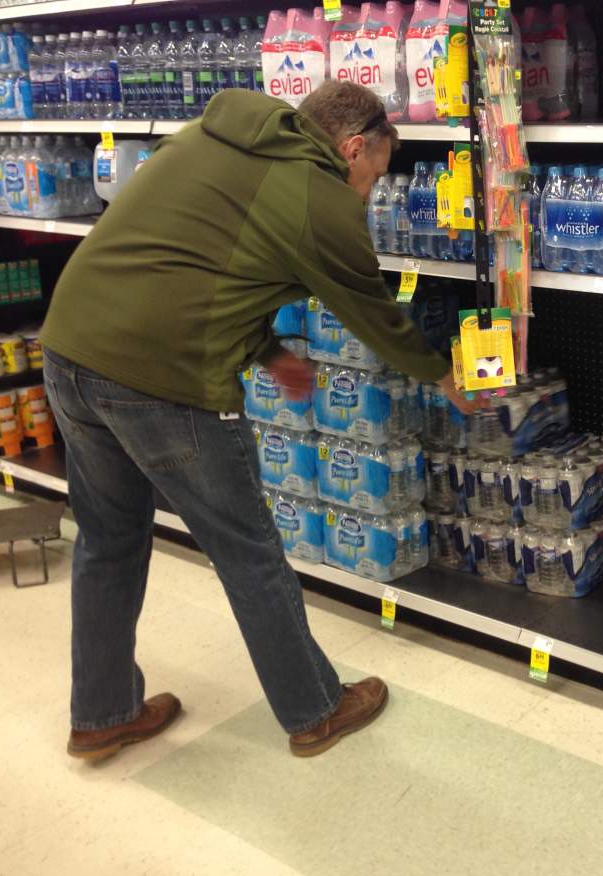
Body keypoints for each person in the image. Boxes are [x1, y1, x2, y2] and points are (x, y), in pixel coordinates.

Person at [40, 83, 474, 761]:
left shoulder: (214, 137)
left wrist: (269, 354)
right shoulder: (321, 196)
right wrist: (444, 374)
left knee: (106, 539)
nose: (368, 193)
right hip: (163, 377)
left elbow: (197, 267)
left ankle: (100, 713)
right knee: (249, 551)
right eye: (374, 176)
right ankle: (316, 708)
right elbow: (370, 309)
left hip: (70, 347)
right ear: (353, 148)